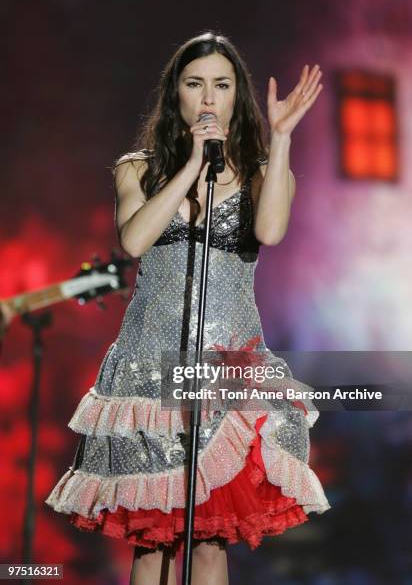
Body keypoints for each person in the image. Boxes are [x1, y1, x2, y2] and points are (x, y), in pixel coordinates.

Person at [45, 32, 330, 585]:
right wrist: (189, 168)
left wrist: (283, 137)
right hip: (149, 367)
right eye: (195, 84)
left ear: (235, 97)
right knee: (152, 541)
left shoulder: (261, 172)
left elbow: (270, 230)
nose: (207, 98)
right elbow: (133, 240)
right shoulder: (138, 168)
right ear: (175, 94)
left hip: (224, 369)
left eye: (221, 86)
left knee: (208, 539)